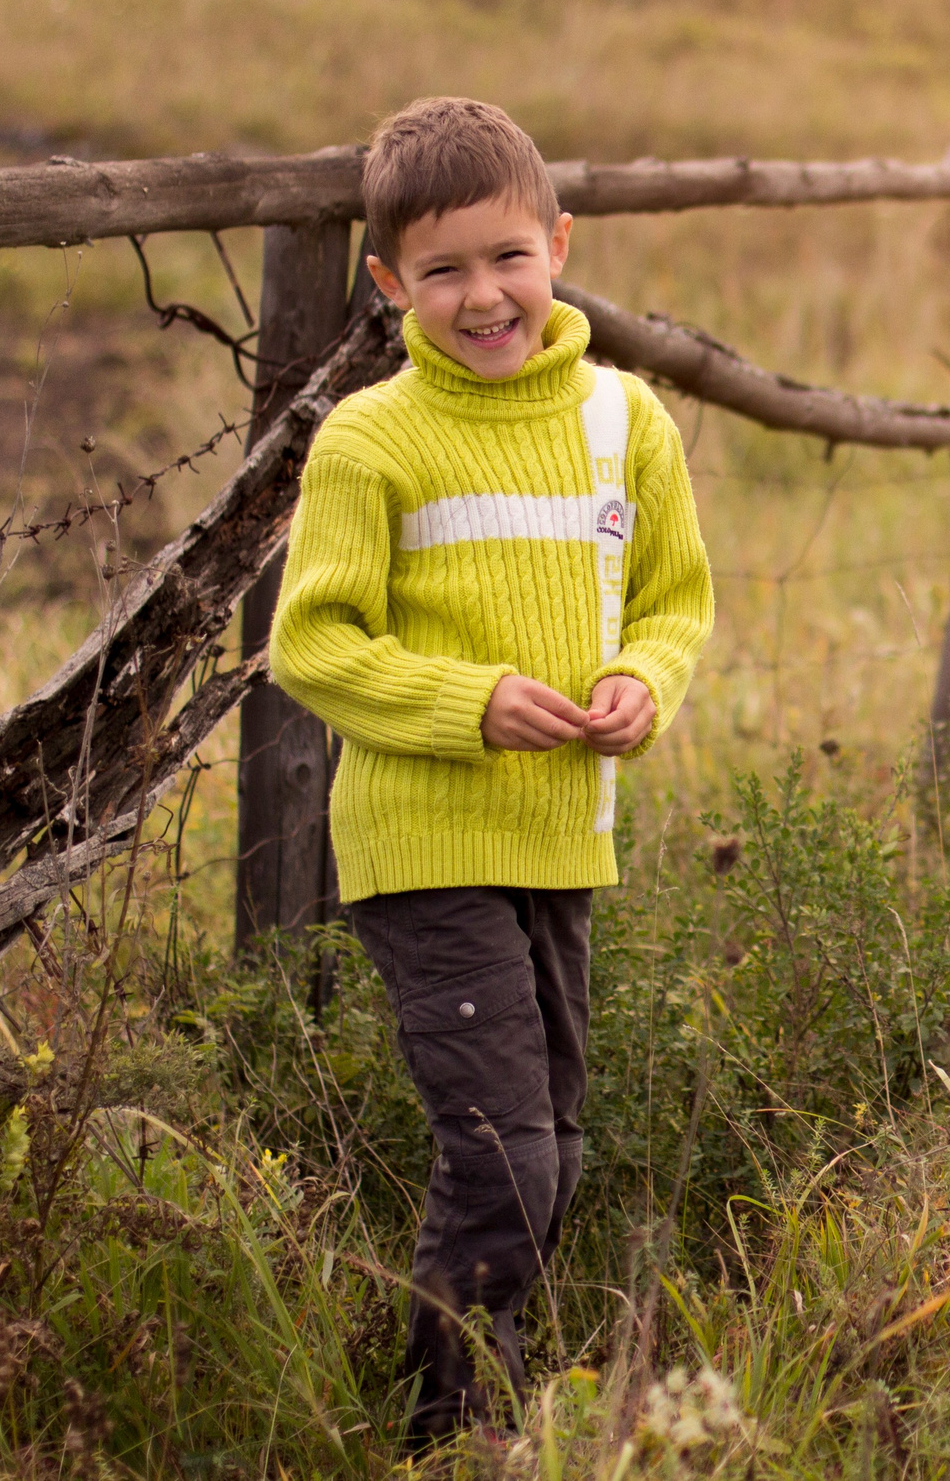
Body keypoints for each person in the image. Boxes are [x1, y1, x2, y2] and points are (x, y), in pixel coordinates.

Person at [270, 95, 713, 1444]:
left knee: (555, 1150)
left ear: (561, 245)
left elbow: (673, 600)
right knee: (507, 1160)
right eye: (445, 270)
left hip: (563, 834)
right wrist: (470, 703)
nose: (483, 295)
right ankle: (451, 1432)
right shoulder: (373, 439)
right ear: (390, 282)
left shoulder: (625, 422)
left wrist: (646, 683)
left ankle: (475, 1390)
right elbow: (313, 645)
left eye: (507, 257)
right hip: (425, 845)